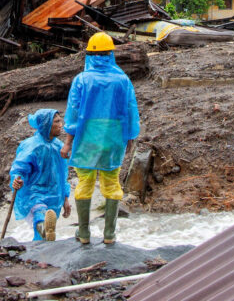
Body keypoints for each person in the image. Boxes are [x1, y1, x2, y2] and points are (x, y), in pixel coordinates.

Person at [62, 32, 140, 245]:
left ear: (89, 55)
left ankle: (84, 234)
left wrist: (68, 142)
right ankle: (109, 235)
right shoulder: (123, 80)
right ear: (111, 54)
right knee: (112, 182)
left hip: (86, 138)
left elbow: (73, 113)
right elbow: (131, 110)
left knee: (84, 182)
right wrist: (130, 138)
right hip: (113, 139)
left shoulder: (81, 80)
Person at [9, 108, 71, 241]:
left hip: (54, 194)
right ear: (46, 124)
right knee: (39, 215)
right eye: (57, 122)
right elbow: (19, 168)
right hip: (34, 193)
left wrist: (66, 199)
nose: (61, 125)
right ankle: (44, 231)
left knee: (46, 226)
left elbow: (63, 175)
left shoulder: (59, 146)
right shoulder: (31, 146)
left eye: (61, 121)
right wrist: (16, 179)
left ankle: (42, 248)